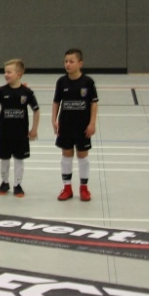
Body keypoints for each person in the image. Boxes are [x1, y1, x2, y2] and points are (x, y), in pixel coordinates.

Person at [0, 59, 40, 197]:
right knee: (4, 159)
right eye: (5, 72)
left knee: (19, 159)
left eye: (9, 72)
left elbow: (36, 110)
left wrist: (34, 129)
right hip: (4, 133)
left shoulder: (27, 92)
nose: (6, 75)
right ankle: (4, 182)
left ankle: (17, 185)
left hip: (21, 133)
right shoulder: (1, 91)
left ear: (19, 74)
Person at [52, 48, 99, 202]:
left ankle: (84, 188)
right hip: (65, 125)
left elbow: (93, 103)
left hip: (82, 126)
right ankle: (67, 188)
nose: (67, 64)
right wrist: (54, 120)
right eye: (66, 61)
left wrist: (92, 123)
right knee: (66, 154)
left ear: (80, 63)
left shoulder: (88, 82)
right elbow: (56, 102)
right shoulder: (61, 82)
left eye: (71, 61)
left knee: (82, 155)